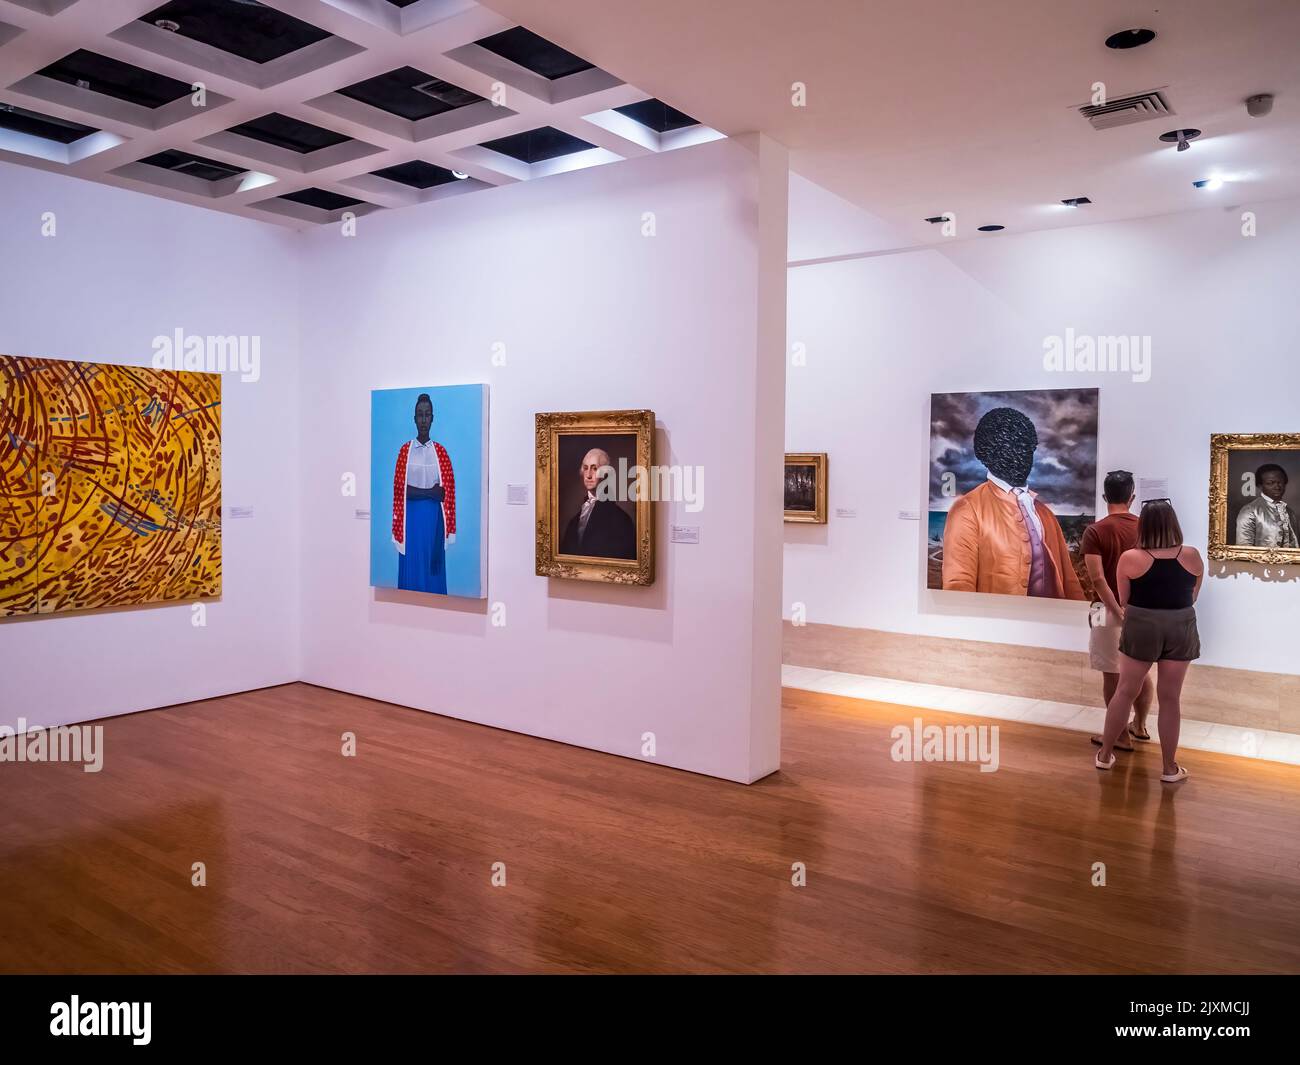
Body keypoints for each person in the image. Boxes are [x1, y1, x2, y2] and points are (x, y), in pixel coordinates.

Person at [1094, 499, 1203, 783]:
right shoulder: (1191, 555)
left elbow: (1124, 600)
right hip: (1180, 624)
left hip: (1141, 623)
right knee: (1170, 699)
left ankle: (1105, 756)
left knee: (1125, 691)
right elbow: (1192, 596)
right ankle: (1169, 768)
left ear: (1143, 526)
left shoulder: (1130, 558)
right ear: (1174, 523)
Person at [941, 407, 1086, 599]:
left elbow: (1069, 582)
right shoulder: (968, 510)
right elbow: (958, 585)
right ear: (987, 454)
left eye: (1026, 448)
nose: (1020, 456)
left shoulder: (1045, 514)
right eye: (1009, 448)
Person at [1082, 471, 1154, 748]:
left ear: (1104, 497)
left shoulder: (1096, 530)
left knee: (1111, 673)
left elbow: (1098, 579)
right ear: (1132, 497)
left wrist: (1117, 609)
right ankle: (1140, 724)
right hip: (1141, 609)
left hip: (1104, 608)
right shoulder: (1145, 528)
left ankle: (1119, 734)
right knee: (1140, 671)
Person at [391, 393, 456, 594]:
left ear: (433, 418)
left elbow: (445, 495)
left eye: (427, 414)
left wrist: (424, 493)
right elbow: (402, 490)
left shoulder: (440, 453)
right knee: (412, 566)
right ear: (414, 418)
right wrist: (430, 492)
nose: (424, 419)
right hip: (410, 520)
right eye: (420, 414)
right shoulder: (405, 451)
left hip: (434, 520)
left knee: (432, 566)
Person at [560, 448, 636, 559]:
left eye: (594, 469)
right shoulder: (574, 521)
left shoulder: (621, 520)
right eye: (585, 468)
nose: (589, 475)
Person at [1235, 462, 1298, 548]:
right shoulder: (1249, 510)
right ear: (1260, 486)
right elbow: (1243, 550)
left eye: (1280, 482)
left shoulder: (1290, 513)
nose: (1277, 486)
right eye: (1270, 483)